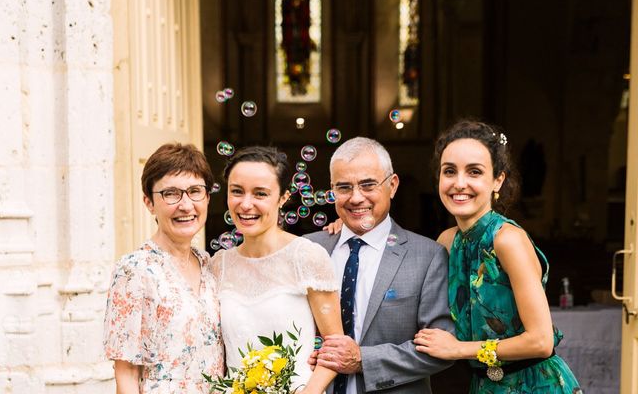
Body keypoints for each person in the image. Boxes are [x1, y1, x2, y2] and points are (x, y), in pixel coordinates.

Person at [413, 119, 581, 393]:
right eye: (449, 171)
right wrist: (346, 230)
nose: (459, 183)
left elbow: (541, 341)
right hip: (485, 385)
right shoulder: (446, 241)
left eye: (474, 172)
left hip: (534, 384)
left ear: (497, 180)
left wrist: (458, 349)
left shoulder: (507, 240)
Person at [306, 137, 454, 394]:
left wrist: (363, 359)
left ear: (392, 185)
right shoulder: (307, 250)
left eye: (368, 185)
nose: (355, 198)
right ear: (332, 191)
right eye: (344, 188)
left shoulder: (428, 257)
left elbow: (442, 349)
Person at [210, 146, 343, 394]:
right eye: (237, 191)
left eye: (260, 194)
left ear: (283, 197)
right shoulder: (218, 265)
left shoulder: (307, 256)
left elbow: (334, 346)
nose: (245, 204)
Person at [103, 142, 224, 393]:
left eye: (195, 191)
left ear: (207, 198)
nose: (186, 205)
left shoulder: (208, 265)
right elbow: (126, 373)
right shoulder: (134, 270)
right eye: (170, 193)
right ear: (149, 202)